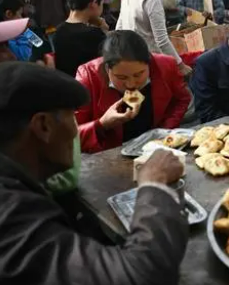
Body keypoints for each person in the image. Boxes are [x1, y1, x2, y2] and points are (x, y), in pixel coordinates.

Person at [0, 61, 189, 285]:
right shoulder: (9, 211)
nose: (75, 131)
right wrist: (155, 184)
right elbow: (142, 275)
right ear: (43, 125)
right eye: (72, 116)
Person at [76, 30, 191, 153]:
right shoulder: (88, 77)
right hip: (111, 154)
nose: (131, 84)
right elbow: (71, 135)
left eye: (138, 75)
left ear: (149, 64)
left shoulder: (165, 65)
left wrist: (164, 131)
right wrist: (102, 124)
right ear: (107, 68)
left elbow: (181, 99)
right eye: (121, 78)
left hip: (156, 148)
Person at [54, 0, 108, 77]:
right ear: (94, 3)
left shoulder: (58, 31)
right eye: (102, 3)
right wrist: (104, 30)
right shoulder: (94, 35)